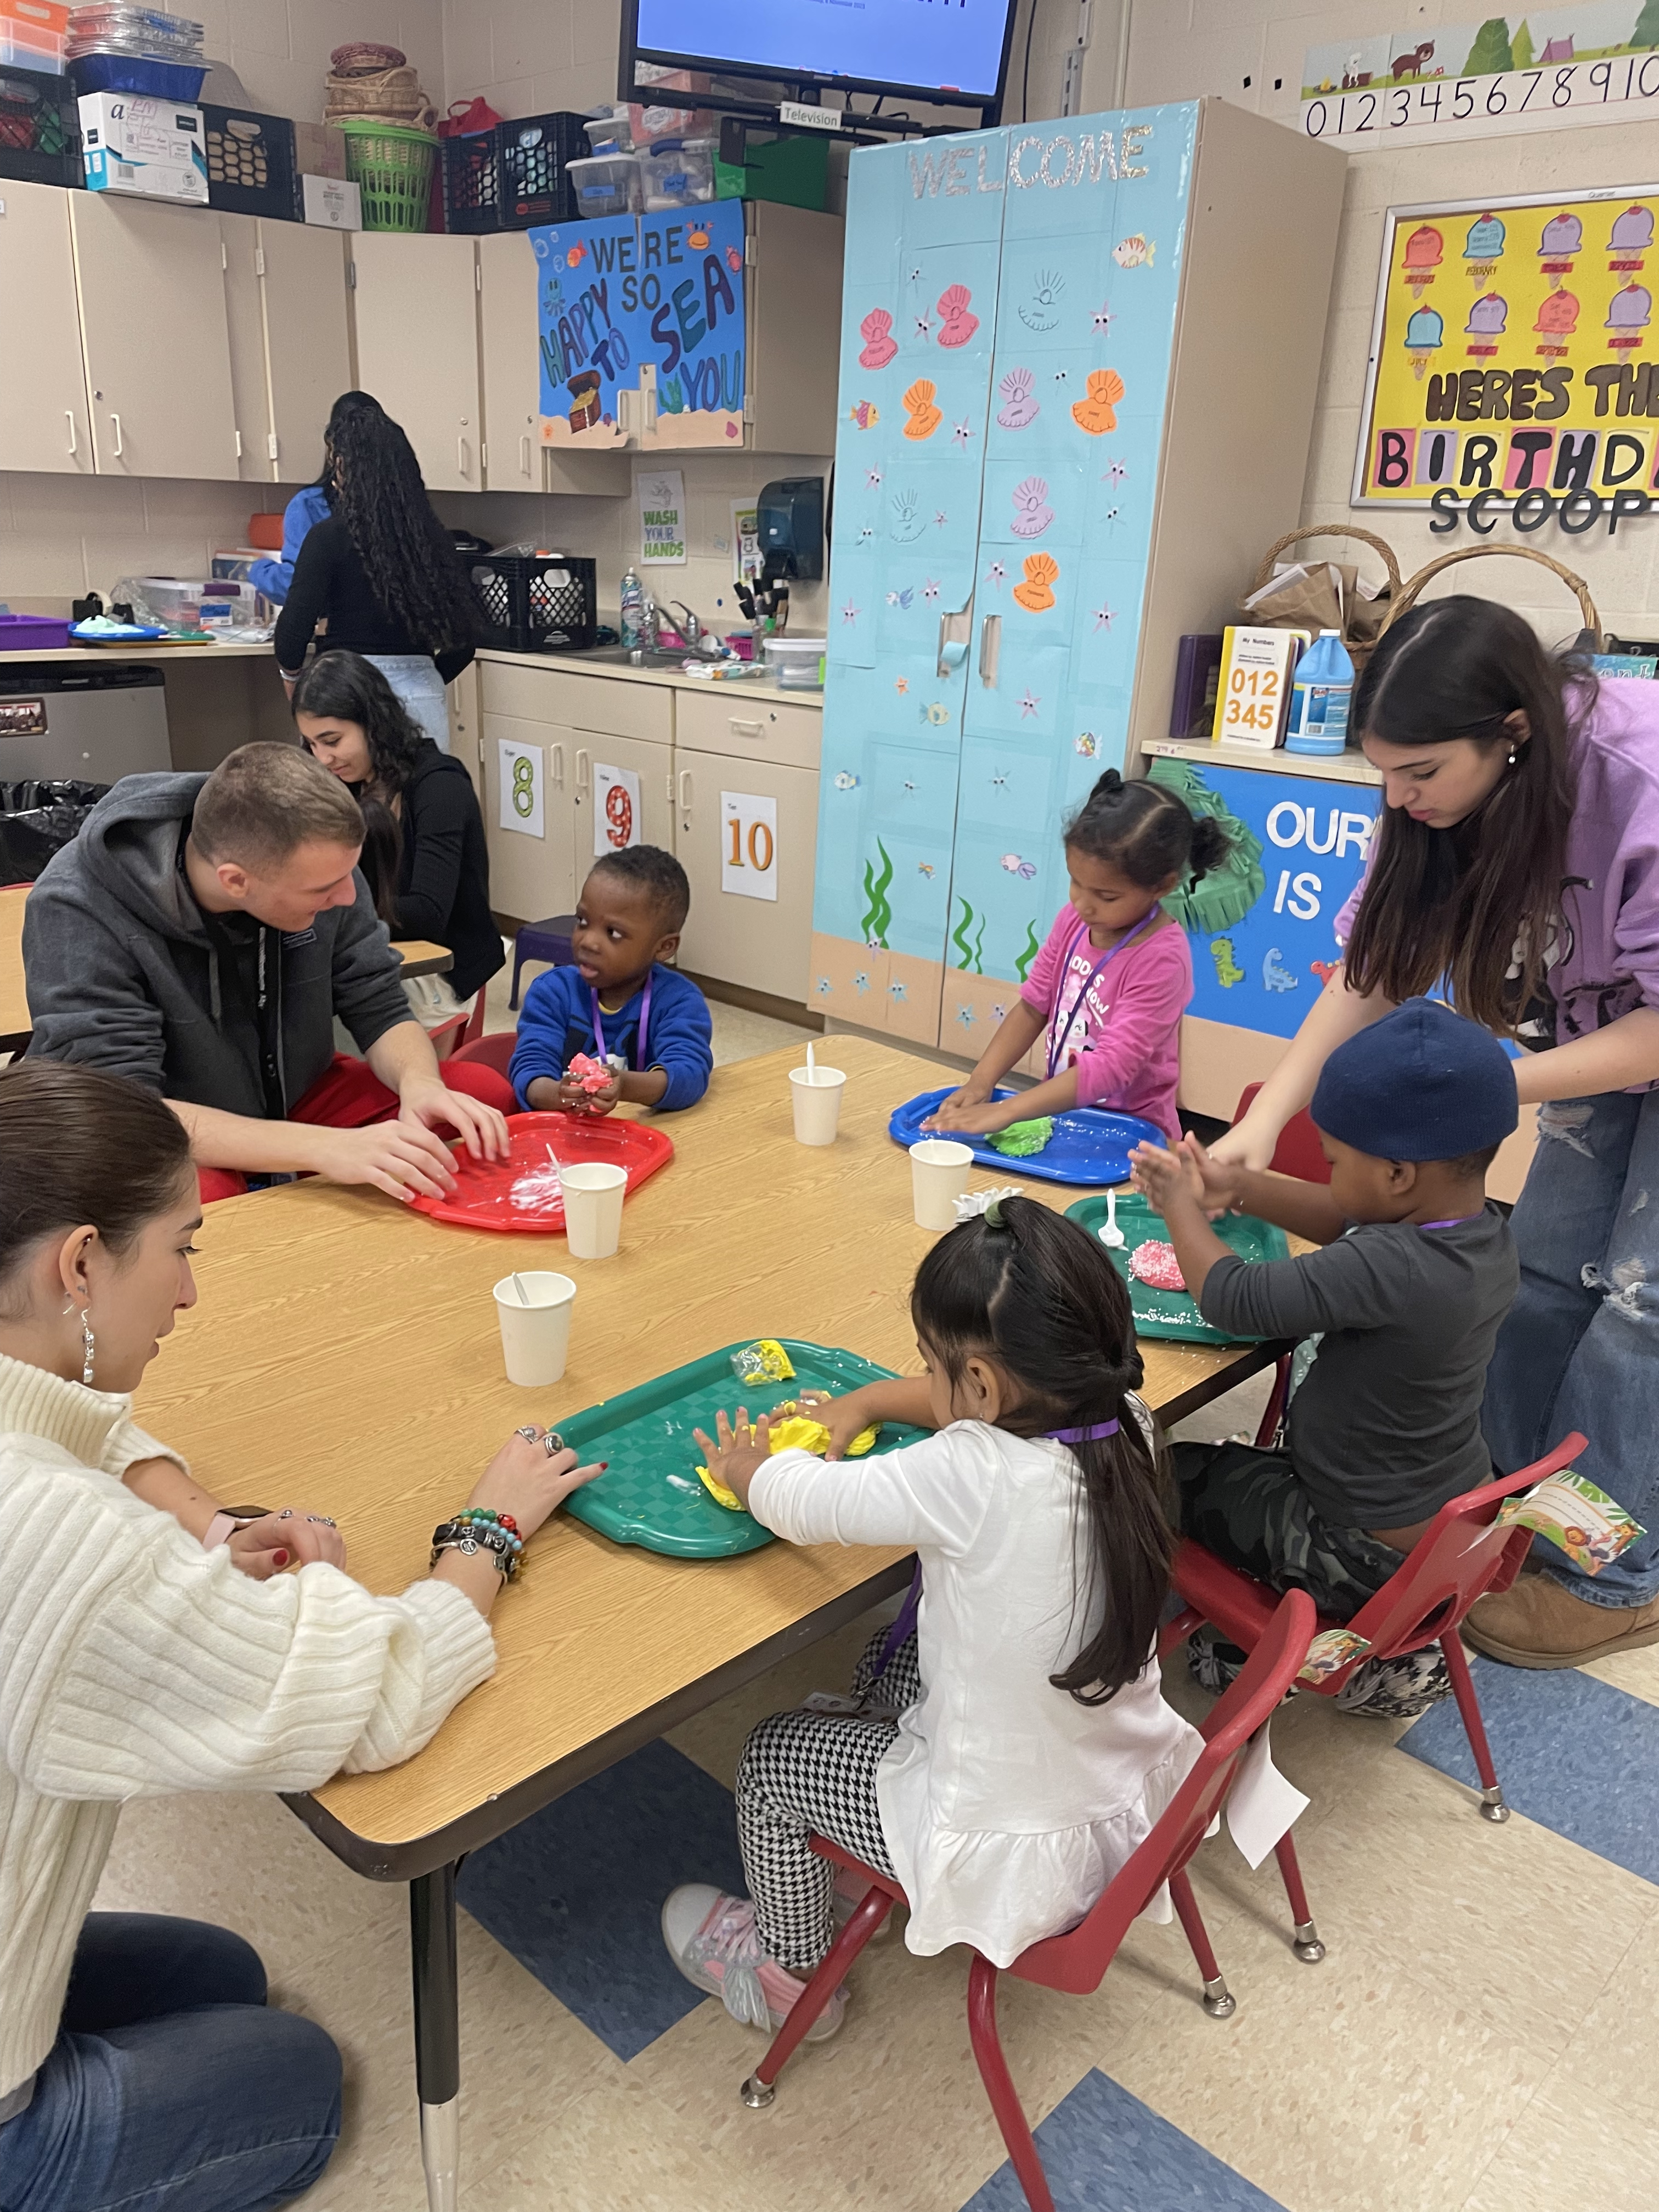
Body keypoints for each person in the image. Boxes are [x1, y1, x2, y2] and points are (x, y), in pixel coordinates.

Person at [0, 1058, 603, 2212]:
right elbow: (374, 1698)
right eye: (181, 1247)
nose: (187, 1293)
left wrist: (201, 1544)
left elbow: (90, 1438)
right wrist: (486, 1531)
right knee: (303, 2083)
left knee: (225, 1975)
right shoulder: (55, 1533)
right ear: (78, 1263)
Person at [1213, 599, 1659, 1670]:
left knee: (1640, 1308)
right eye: (1385, 774)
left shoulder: (1636, 785)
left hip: (1628, 1024)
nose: (1399, 799)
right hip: (1599, 1023)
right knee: (1546, 1265)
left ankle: (1616, 1573)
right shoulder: (1435, 800)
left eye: (1419, 775)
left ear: (1512, 733)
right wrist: (1267, 1119)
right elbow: (1375, 961)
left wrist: (1493, 1081)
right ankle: (1502, 1506)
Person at [660, 1195, 1199, 2035]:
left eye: (931, 1364)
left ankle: (787, 1971)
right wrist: (873, 1400)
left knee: (769, 1761)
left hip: (1008, 1849)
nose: (928, 1380)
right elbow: (974, 1400)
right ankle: (854, 1847)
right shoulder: (1126, 1418)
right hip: (1116, 1800)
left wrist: (750, 1465)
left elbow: (806, 1506)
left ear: (980, 1385)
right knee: (896, 1649)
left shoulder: (971, 1473)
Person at [1131, 1001, 1520, 1714]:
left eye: (1336, 1160)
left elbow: (1234, 1298)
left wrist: (1182, 1208)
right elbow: (1349, 1215)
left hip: (1350, 1546)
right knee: (1230, 1469)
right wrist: (1241, 1186)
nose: (1329, 1171)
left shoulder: (1393, 1266)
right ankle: (1362, 1643)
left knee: (1156, 1471)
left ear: (1399, 1175)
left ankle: (1301, 1645)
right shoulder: (1480, 1233)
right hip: (1446, 1532)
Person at [23, 743, 514, 1205]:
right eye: (323, 888)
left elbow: (378, 1004)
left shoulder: (316, 862)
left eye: (351, 874)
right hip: (167, 1122)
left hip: (295, 1092)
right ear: (236, 881)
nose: (348, 897)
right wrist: (325, 1149)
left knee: (477, 1099)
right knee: (190, 1201)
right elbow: (129, 1111)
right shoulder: (79, 906)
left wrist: (420, 1084)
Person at [924, 770, 1229, 1144]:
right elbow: (1034, 1007)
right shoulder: (1073, 920)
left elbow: (1113, 1067)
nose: (1082, 904)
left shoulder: (1162, 958)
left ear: (1162, 886)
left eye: (1107, 896)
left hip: (1132, 1138)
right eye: (1075, 882)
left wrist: (1007, 1110)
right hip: (1062, 1118)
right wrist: (982, 1081)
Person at [293, 650, 503, 1032]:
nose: (323, 758)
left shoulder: (439, 785)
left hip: (445, 969)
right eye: (312, 745)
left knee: (324, 1028)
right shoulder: (348, 783)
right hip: (378, 950)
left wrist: (334, 919)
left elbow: (427, 913)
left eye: (332, 741)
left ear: (373, 723)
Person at [272, 398, 477, 752]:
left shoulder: (328, 537)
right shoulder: (436, 541)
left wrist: (298, 687)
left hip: (345, 693)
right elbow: (468, 639)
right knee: (420, 804)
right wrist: (424, 678)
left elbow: (291, 636)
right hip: (421, 693)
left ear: (344, 469)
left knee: (345, 808)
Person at [509, 848, 713, 1114]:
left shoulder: (679, 1001)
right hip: (563, 1142)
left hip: (642, 1138)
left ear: (664, 947)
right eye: (582, 921)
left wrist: (624, 1085)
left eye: (613, 933)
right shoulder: (553, 992)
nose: (589, 941)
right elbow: (529, 1074)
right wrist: (560, 1095)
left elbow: (690, 1076)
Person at [247, 390, 383, 606]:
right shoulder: (403, 507)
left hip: (336, 630)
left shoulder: (310, 505)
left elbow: (295, 586)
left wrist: (256, 570)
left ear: (332, 447)